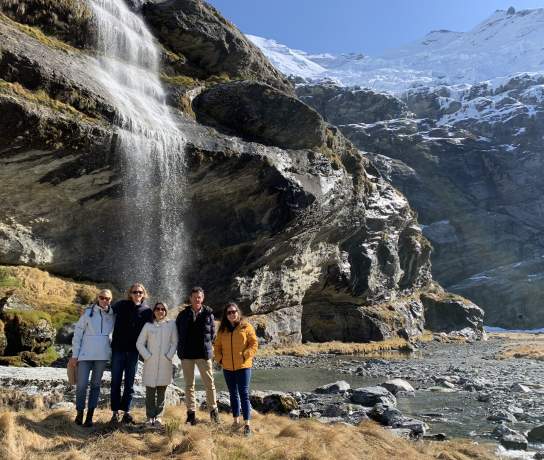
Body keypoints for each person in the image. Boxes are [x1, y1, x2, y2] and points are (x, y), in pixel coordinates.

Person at [69, 289, 114, 427]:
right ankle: (79, 414)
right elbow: (77, 334)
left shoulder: (113, 316)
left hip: (102, 356)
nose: (104, 300)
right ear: (98, 298)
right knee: (81, 385)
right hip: (85, 355)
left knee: (95, 386)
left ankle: (90, 417)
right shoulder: (88, 313)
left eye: (107, 298)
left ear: (110, 300)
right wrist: (75, 355)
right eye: (102, 297)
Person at [109, 283, 152, 424]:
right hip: (118, 350)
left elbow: (153, 330)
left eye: (140, 292)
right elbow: (106, 311)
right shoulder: (121, 305)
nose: (137, 294)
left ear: (143, 294)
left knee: (129, 383)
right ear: (130, 293)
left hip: (133, 352)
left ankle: (126, 411)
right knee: (115, 381)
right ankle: (115, 412)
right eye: (135, 292)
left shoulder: (147, 311)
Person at [214, 302, 258, 436]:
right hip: (227, 367)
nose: (232, 314)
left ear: (238, 313)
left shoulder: (246, 326)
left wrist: (246, 355)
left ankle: (247, 425)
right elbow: (217, 347)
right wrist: (220, 359)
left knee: (244, 394)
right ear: (226, 315)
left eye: (234, 312)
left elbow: (254, 343)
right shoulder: (223, 330)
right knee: (233, 394)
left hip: (243, 367)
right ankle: (235, 420)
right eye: (229, 312)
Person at [176, 286, 218, 425]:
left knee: (209, 384)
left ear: (202, 298)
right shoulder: (182, 315)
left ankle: (213, 413)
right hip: (187, 355)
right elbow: (177, 333)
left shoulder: (209, 314)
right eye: (194, 297)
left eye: (199, 297)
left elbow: (212, 334)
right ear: (190, 299)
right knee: (189, 385)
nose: (197, 300)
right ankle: (191, 414)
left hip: (203, 354)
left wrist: (207, 346)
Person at [136, 302, 178, 426]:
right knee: (149, 392)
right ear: (154, 311)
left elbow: (175, 342)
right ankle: (149, 417)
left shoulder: (171, 325)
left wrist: (169, 356)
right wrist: (147, 356)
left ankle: (159, 417)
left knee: (161, 392)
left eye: (163, 309)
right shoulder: (148, 326)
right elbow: (139, 343)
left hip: (165, 363)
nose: (160, 311)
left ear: (166, 311)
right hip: (151, 363)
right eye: (158, 309)